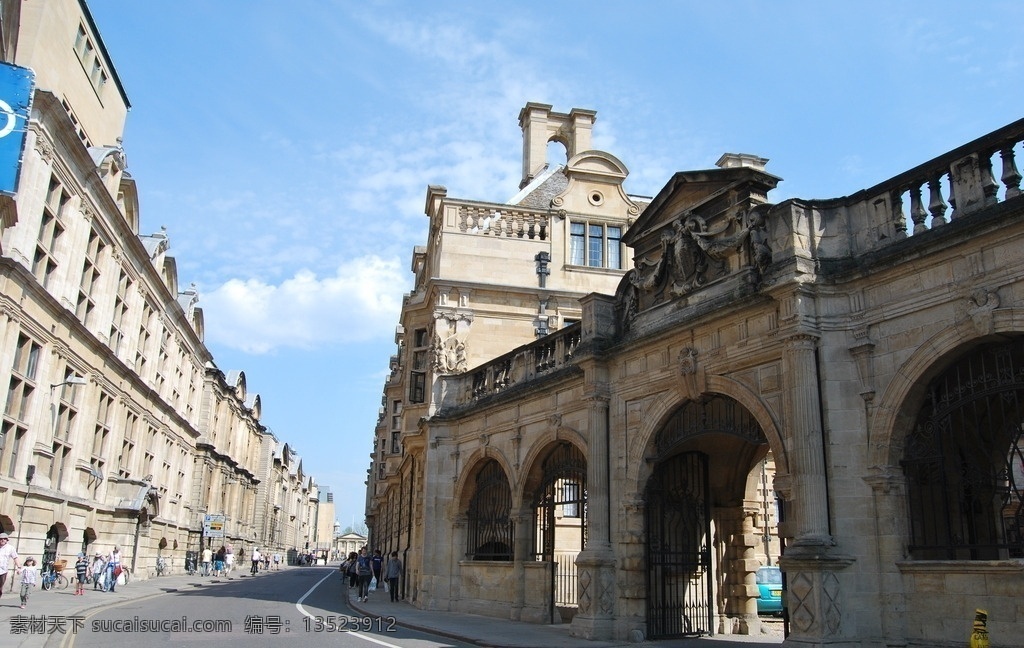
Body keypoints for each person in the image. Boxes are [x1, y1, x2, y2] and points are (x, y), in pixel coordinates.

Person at [0, 532, 20, 598]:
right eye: (1, 539)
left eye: (4, 539)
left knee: (0, 587)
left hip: (3, 571)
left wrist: (19, 567)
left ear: (7, 540)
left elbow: (15, 557)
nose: (3, 540)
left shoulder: (10, 548)